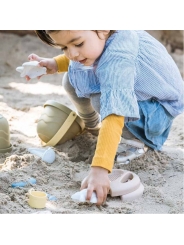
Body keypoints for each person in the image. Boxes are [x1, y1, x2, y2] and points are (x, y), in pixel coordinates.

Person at [26, 30, 184, 205]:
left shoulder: (119, 56)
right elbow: (83, 56)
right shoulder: (100, 37)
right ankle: (92, 126)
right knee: (70, 78)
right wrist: (55, 64)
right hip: (141, 95)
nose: (71, 53)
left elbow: (115, 110)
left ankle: (134, 143)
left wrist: (100, 169)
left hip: (157, 111)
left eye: (78, 44)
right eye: (64, 47)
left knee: (102, 100)